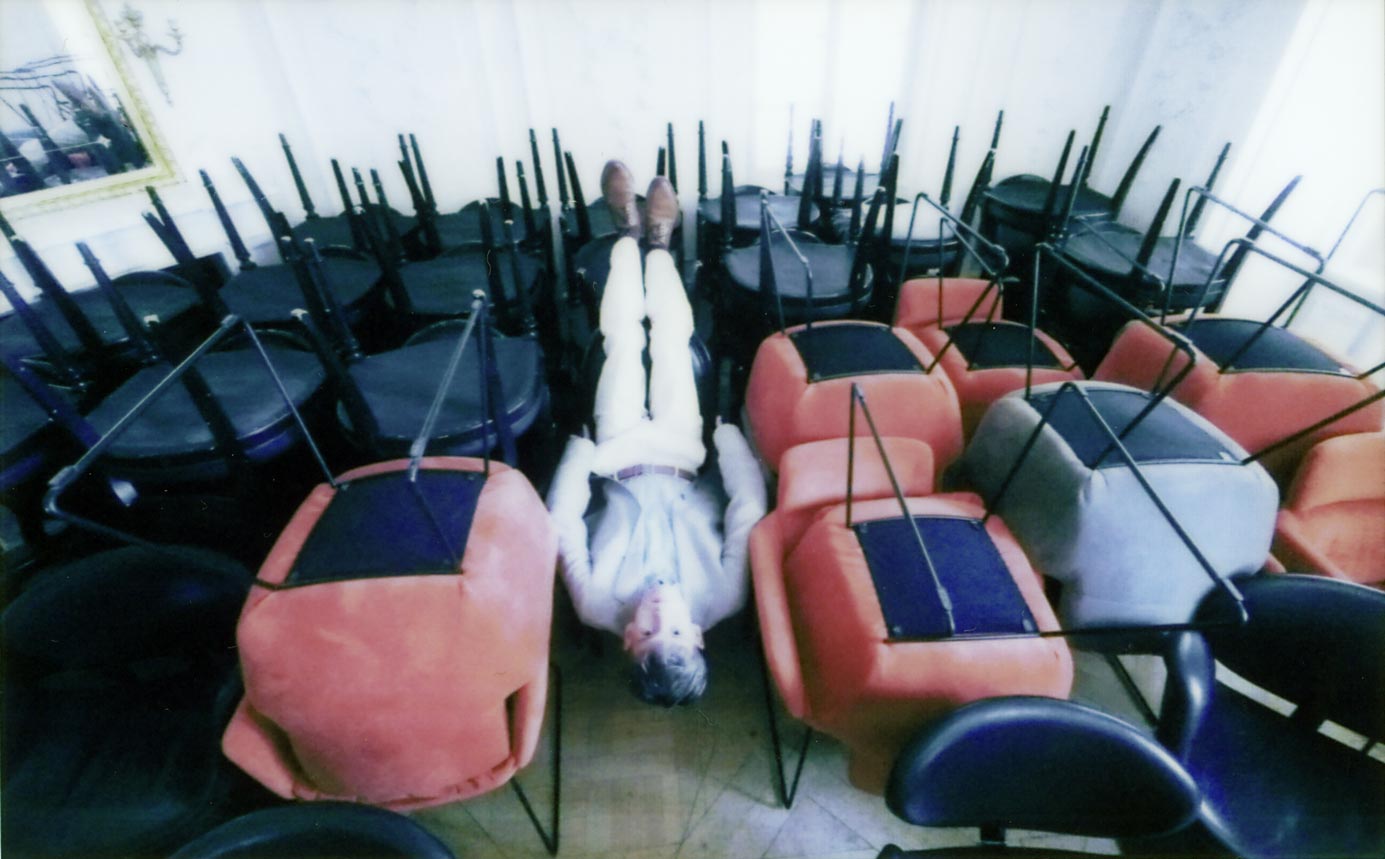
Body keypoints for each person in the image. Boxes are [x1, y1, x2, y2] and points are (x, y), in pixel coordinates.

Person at [546, 161, 767, 706]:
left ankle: (626, 234)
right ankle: (662, 244)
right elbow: (748, 511)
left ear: (627, 640)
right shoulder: (724, 597)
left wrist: (581, 450)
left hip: (617, 451)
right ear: (696, 636)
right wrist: (726, 436)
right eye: (673, 630)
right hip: (680, 452)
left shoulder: (596, 604)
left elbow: (562, 525)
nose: (658, 617)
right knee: (671, 341)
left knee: (622, 341)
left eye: (646, 633)